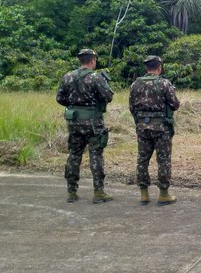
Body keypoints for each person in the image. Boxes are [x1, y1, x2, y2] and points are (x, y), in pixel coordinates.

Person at [56, 48, 115, 204]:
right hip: (93, 123)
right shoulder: (96, 78)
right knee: (96, 155)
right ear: (92, 61)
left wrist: (75, 105)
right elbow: (108, 97)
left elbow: (60, 98)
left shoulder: (68, 77)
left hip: (74, 122)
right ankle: (98, 192)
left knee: (74, 155)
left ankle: (71, 192)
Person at [128, 55, 181, 206]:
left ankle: (143, 194)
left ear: (146, 67)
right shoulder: (164, 84)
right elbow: (175, 104)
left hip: (142, 128)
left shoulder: (135, 84)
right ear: (159, 67)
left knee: (142, 160)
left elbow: (131, 107)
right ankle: (163, 194)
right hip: (161, 128)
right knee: (163, 161)